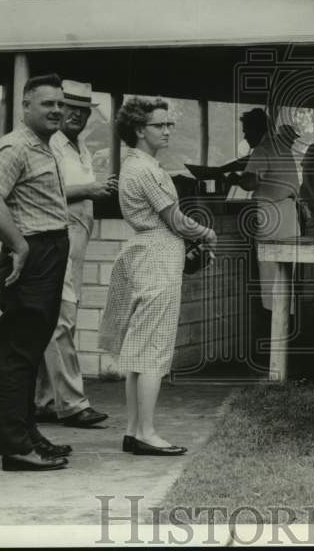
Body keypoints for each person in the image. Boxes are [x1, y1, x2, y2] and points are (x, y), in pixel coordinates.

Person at [99, 98, 216, 456]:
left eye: (169, 125)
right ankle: (146, 432)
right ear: (138, 130)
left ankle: (135, 430)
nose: (166, 130)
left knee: (139, 350)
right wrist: (207, 234)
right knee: (153, 349)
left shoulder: (135, 166)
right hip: (158, 254)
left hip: (150, 253)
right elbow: (175, 219)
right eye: (158, 125)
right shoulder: (145, 170)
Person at [0, 73, 74, 472]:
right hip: (30, 257)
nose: (56, 110)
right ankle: (16, 448)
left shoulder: (44, 146)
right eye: (46, 103)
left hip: (47, 252)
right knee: (18, 353)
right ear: (26, 106)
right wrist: (19, 245)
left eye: (60, 104)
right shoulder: (16, 146)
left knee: (31, 350)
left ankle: (27, 434)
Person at [34, 80, 115, 429]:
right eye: (70, 108)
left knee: (58, 320)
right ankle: (72, 403)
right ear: (57, 109)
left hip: (76, 242)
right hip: (56, 238)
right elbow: (42, 192)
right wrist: (90, 189)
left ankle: (46, 400)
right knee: (59, 321)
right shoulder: (48, 146)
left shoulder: (78, 146)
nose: (77, 116)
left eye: (84, 111)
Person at [226, 109, 301, 312]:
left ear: (257, 129)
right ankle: (285, 324)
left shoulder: (263, 149)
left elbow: (250, 182)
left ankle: (271, 322)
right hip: (289, 214)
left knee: (270, 271)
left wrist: (235, 178)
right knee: (286, 272)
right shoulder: (281, 147)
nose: (245, 136)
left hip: (272, 215)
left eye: (246, 131)